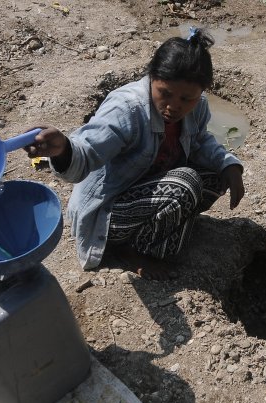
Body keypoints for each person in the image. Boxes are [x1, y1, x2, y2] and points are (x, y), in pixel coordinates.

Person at [25, 27, 245, 280]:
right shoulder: (126, 109)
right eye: (165, 93)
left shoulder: (198, 107)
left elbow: (200, 141)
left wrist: (229, 164)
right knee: (185, 183)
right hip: (111, 210)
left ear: (200, 94)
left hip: (150, 192)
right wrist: (63, 149)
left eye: (187, 99)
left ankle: (166, 227)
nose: (175, 106)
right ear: (152, 77)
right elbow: (86, 153)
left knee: (217, 175)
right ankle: (128, 249)